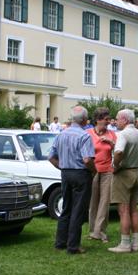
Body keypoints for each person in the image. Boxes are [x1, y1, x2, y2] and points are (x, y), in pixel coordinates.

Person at [48, 106, 96, 254]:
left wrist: (62, 166)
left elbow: (51, 157)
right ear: (84, 120)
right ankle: (73, 245)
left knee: (66, 207)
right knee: (78, 209)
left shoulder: (61, 134)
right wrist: (94, 171)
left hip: (66, 173)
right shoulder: (84, 136)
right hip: (80, 174)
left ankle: (60, 242)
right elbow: (87, 159)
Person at [109, 109, 138, 253]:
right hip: (135, 172)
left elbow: (119, 152)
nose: (115, 121)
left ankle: (125, 244)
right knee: (134, 210)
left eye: (117, 119)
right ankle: (135, 243)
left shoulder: (123, 134)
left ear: (124, 119)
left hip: (123, 174)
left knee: (123, 211)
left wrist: (116, 165)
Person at [87, 108, 116, 243]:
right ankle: (93, 231)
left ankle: (101, 231)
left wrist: (111, 143)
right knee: (93, 201)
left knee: (104, 202)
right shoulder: (87, 134)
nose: (108, 122)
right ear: (98, 120)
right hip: (92, 171)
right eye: (106, 119)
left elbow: (118, 151)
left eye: (109, 119)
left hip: (107, 171)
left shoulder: (111, 134)